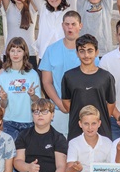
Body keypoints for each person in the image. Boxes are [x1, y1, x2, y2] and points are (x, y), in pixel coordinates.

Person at [40, 10, 96, 138]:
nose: (70, 27)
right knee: (60, 146)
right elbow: (46, 82)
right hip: (59, 110)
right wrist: (60, 103)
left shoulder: (88, 53)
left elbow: (94, 79)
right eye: (67, 24)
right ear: (62, 26)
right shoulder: (51, 50)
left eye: (73, 24)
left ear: (80, 26)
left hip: (84, 111)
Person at [61, 34, 116, 141]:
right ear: (77, 53)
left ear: (96, 52)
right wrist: (79, 115)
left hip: (101, 129)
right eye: (82, 51)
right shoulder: (69, 76)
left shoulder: (106, 77)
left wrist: (98, 119)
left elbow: (111, 104)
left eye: (90, 51)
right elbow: (66, 101)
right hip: (77, 128)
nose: (86, 55)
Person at [0, 37, 41, 141]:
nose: (15, 54)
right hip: (9, 122)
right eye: (12, 50)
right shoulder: (3, 76)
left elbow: (37, 101)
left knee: (27, 151)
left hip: (28, 121)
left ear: (25, 53)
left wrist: (32, 95)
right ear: (8, 53)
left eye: (19, 51)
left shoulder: (33, 74)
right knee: (11, 151)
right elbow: (3, 105)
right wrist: (3, 98)